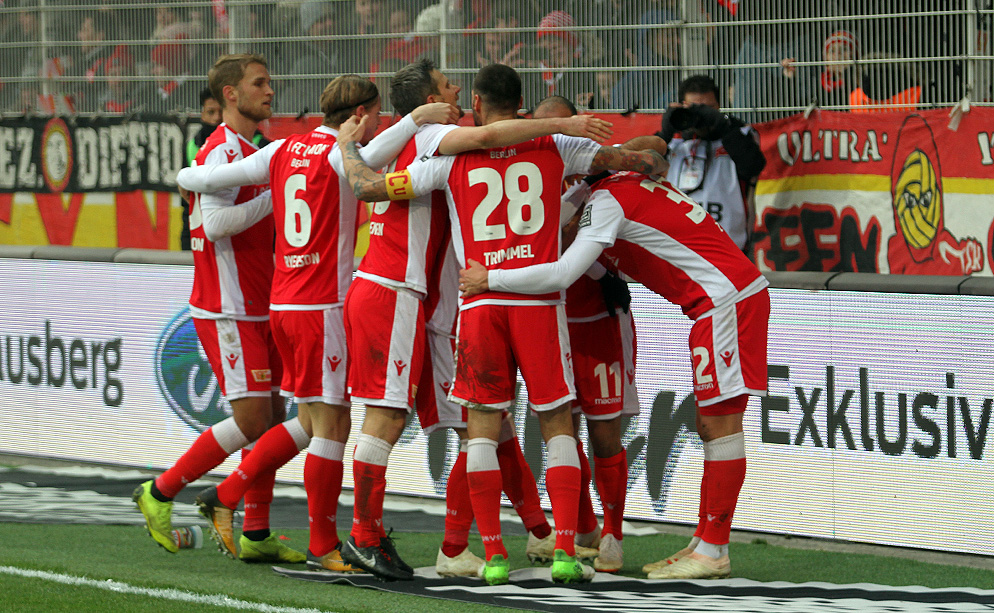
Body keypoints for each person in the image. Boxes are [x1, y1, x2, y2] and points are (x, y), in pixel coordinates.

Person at [335, 62, 666, 585]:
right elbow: (640, 160)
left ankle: (491, 554)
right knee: (555, 425)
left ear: (479, 103)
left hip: (476, 305)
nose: (455, 92)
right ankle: (562, 547)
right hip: (534, 303)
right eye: (446, 85)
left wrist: (347, 148)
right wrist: (615, 152)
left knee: (482, 431)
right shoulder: (549, 145)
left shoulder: (447, 157)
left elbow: (367, 185)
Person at [177, 74, 460, 573]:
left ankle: (227, 492)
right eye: (376, 115)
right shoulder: (341, 153)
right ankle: (324, 544)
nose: (379, 124)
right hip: (323, 305)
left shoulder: (282, 148)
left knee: (310, 422)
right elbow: (372, 159)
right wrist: (416, 117)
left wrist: (186, 176)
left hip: (283, 303)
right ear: (360, 115)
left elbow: (210, 179)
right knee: (332, 428)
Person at [458, 168, 770, 582]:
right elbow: (560, 213)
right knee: (709, 424)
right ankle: (704, 542)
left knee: (720, 426)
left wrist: (490, 278)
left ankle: (714, 549)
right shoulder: (613, 184)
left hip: (725, 303)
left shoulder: (606, 203)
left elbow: (563, 271)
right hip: (718, 303)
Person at [132, 53, 304, 566]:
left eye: (269, 82)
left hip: (260, 301)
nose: (269, 91)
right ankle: (160, 491)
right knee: (253, 420)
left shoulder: (253, 148)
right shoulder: (220, 150)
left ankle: (256, 531)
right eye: (259, 83)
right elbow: (215, 224)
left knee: (273, 417)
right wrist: (275, 196)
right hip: (227, 305)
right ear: (231, 94)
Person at [531, 95, 638, 573]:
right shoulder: (526, 170)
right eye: (541, 126)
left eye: (558, 125)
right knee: (561, 432)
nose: (548, 134)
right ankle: (582, 527)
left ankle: (613, 533)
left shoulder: (597, 170)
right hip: (547, 320)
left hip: (597, 321)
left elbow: (654, 147)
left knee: (604, 433)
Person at [659, 75, 766, 255]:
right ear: (683, 105)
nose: (700, 115)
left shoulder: (740, 133)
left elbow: (753, 166)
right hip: (680, 248)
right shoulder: (673, 140)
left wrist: (722, 125)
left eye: (707, 109)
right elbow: (642, 168)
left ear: (718, 106)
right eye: (694, 108)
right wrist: (665, 133)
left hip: (729, 247)